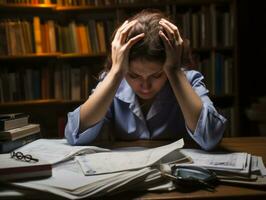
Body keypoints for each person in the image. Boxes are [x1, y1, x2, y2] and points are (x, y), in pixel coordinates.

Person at [65, 9, 227, 151]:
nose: (145, 86)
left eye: (156, 75)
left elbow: (210, 138)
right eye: (134, 75)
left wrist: (174, 71)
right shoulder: (113, 82)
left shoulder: (188, 80)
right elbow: (75, 135)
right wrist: (115, 72)